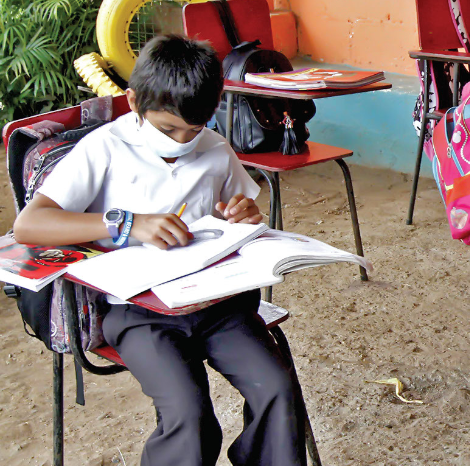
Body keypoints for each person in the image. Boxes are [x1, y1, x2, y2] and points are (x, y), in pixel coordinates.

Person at [13, 35, 305, 466]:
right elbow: (30, 225)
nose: (182, 140)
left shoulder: (215, 148)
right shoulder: (104, 148)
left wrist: (243, 213)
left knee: (276, 389)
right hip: (139, 312)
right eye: (168, 129)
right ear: (133, 102)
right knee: (188, 412)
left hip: (217, 304)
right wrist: (127, 224)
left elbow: (240, 209)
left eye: (195, 127)